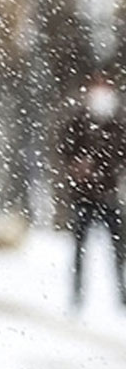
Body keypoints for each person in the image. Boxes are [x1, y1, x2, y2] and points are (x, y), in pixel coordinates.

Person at [59, 74, 126, 308]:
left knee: (118, 248)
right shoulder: (77, 121)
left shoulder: (117, 122)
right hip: (83, 196)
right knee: (79, 248)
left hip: (108, 195)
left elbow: (120, 156)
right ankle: (77, 294)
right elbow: (65, 149)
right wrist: (77, 165)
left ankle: (122, 294)